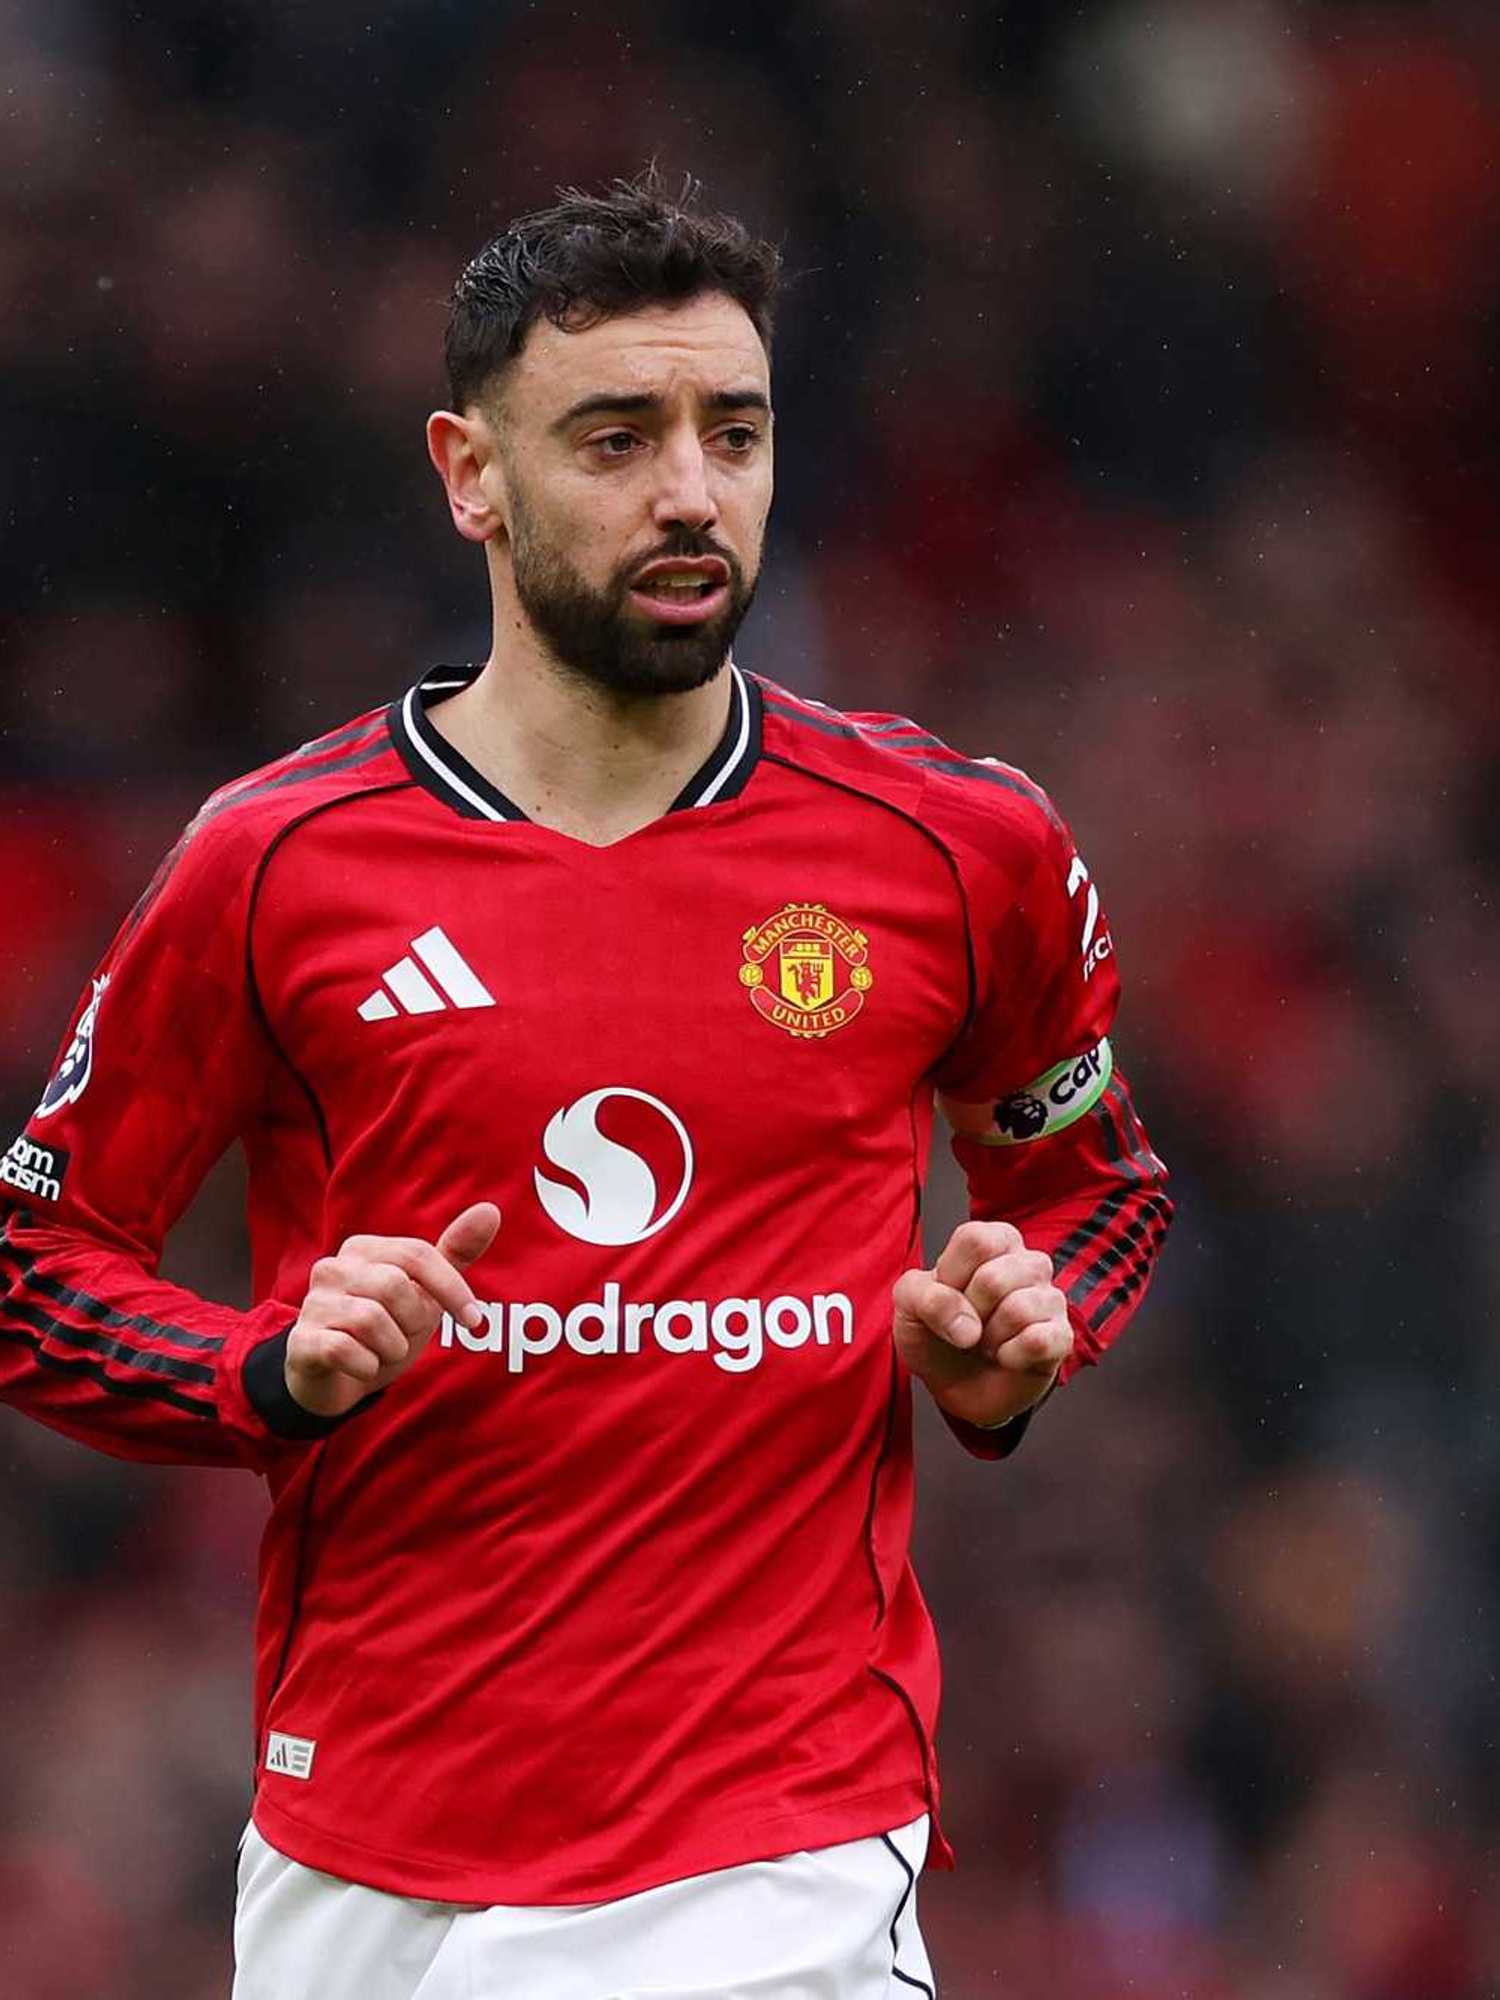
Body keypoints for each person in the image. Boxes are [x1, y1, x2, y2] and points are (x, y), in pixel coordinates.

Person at [0, 174, 1171, 1998]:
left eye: (736, 434)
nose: (691, 492)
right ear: (470, 473)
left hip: (772, 1848)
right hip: (358, 1848)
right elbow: (32, 1264)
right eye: (618, 439)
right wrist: (264, 1369)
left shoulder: (959, 846)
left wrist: (1026, 1335)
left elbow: (1093, 1189)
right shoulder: (275, 865)